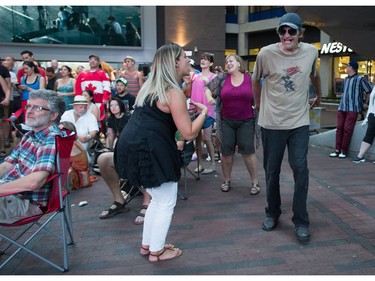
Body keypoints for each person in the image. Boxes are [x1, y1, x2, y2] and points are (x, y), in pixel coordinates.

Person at [114, 43, 208, 262]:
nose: (188, 61)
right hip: (151, 149)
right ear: (175, 62)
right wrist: (203, 112)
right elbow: (189, 133)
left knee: (157, 199)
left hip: (131, 145)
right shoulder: (172, 91)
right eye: (185, 57)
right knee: (166, 201)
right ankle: (157, 251)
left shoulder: (151, 87)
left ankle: (148, 245)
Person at [252, 12, 322, 242]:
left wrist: (319, 95)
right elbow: (255, 80)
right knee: (272, 172)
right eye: (282, 31)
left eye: (291, 31)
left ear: (300, 33)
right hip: (272, 123)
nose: (286, 35)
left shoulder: (311, 51)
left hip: (299, 122)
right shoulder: (266, 54)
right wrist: (259, 105)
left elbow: (314, 74)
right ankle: (272, 212)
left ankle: (301, 220)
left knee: (300, 169)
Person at [0, 89, 65, 223]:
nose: (29, 111)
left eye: (37, 108)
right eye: (29, 106)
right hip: (9, 195)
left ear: (53, 115)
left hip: (24, 203)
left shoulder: (51, 139)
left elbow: (34, 182)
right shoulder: (30, 135)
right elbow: (7, 165)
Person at [205, 54, 259, 194]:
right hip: (226, 121)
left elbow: (260, 95)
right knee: (226, 152)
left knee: (248, 150)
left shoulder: (251, 78)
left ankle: (255, 182)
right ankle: (227, 180)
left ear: (239, 63)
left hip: (246, 120)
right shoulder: (222, 78)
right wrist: (210, 97)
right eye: (226, 62)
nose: (228, 63)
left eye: (231, 61)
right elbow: (208, 88)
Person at [329, 60, 373, 159]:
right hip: (343, 106)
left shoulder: (360, 79)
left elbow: (368, 91)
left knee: (347, 129)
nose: (346, 68)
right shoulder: (345, 80)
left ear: (352, 68)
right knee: (339, 128)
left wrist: (365, 103)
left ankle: (343, 151)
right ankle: (337, 150)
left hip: (353, 108)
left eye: (347, 66)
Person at [190, 52, 217, 175]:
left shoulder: (214, 77)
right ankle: (200, 163)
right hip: (197, 111)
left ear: (211, 63)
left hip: (209, 112)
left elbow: (215, 94)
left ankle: (212, 163)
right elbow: (193, 93)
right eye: (202, 59)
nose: (203, 61)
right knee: (198, 139)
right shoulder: (195, 76)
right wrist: (192, 107)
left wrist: (207, 84)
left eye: (206, 59)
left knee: (207, 138)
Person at [59, 121, 98, 189]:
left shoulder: (71, 145)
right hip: (80, 176)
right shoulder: (73, 143)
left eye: (62, 130)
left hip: (78, 179)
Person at [352, 85, 375, 163]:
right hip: (373, 114)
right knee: (369, 134)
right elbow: (371, 103)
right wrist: (367, 117)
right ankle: (360, 155)